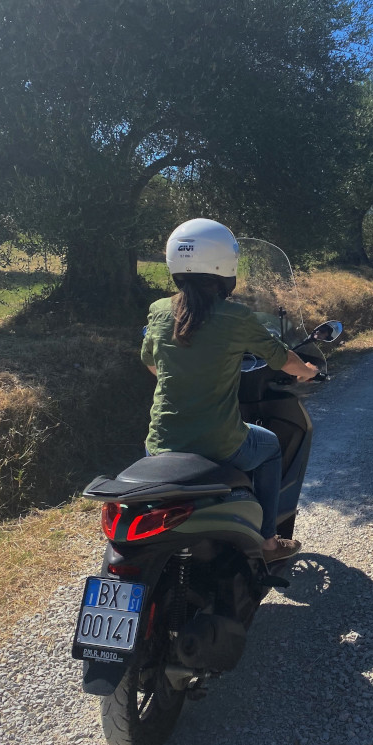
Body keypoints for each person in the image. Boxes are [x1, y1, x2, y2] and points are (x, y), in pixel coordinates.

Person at [140, 218, 318, 563]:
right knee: (267, 446)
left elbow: (152, 363)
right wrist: (308, 371)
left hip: (159, 444)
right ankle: (268, 543)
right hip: (219, 444)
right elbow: (282, 358)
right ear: (225, 267)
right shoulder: (235, 317)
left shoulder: (159, 311)